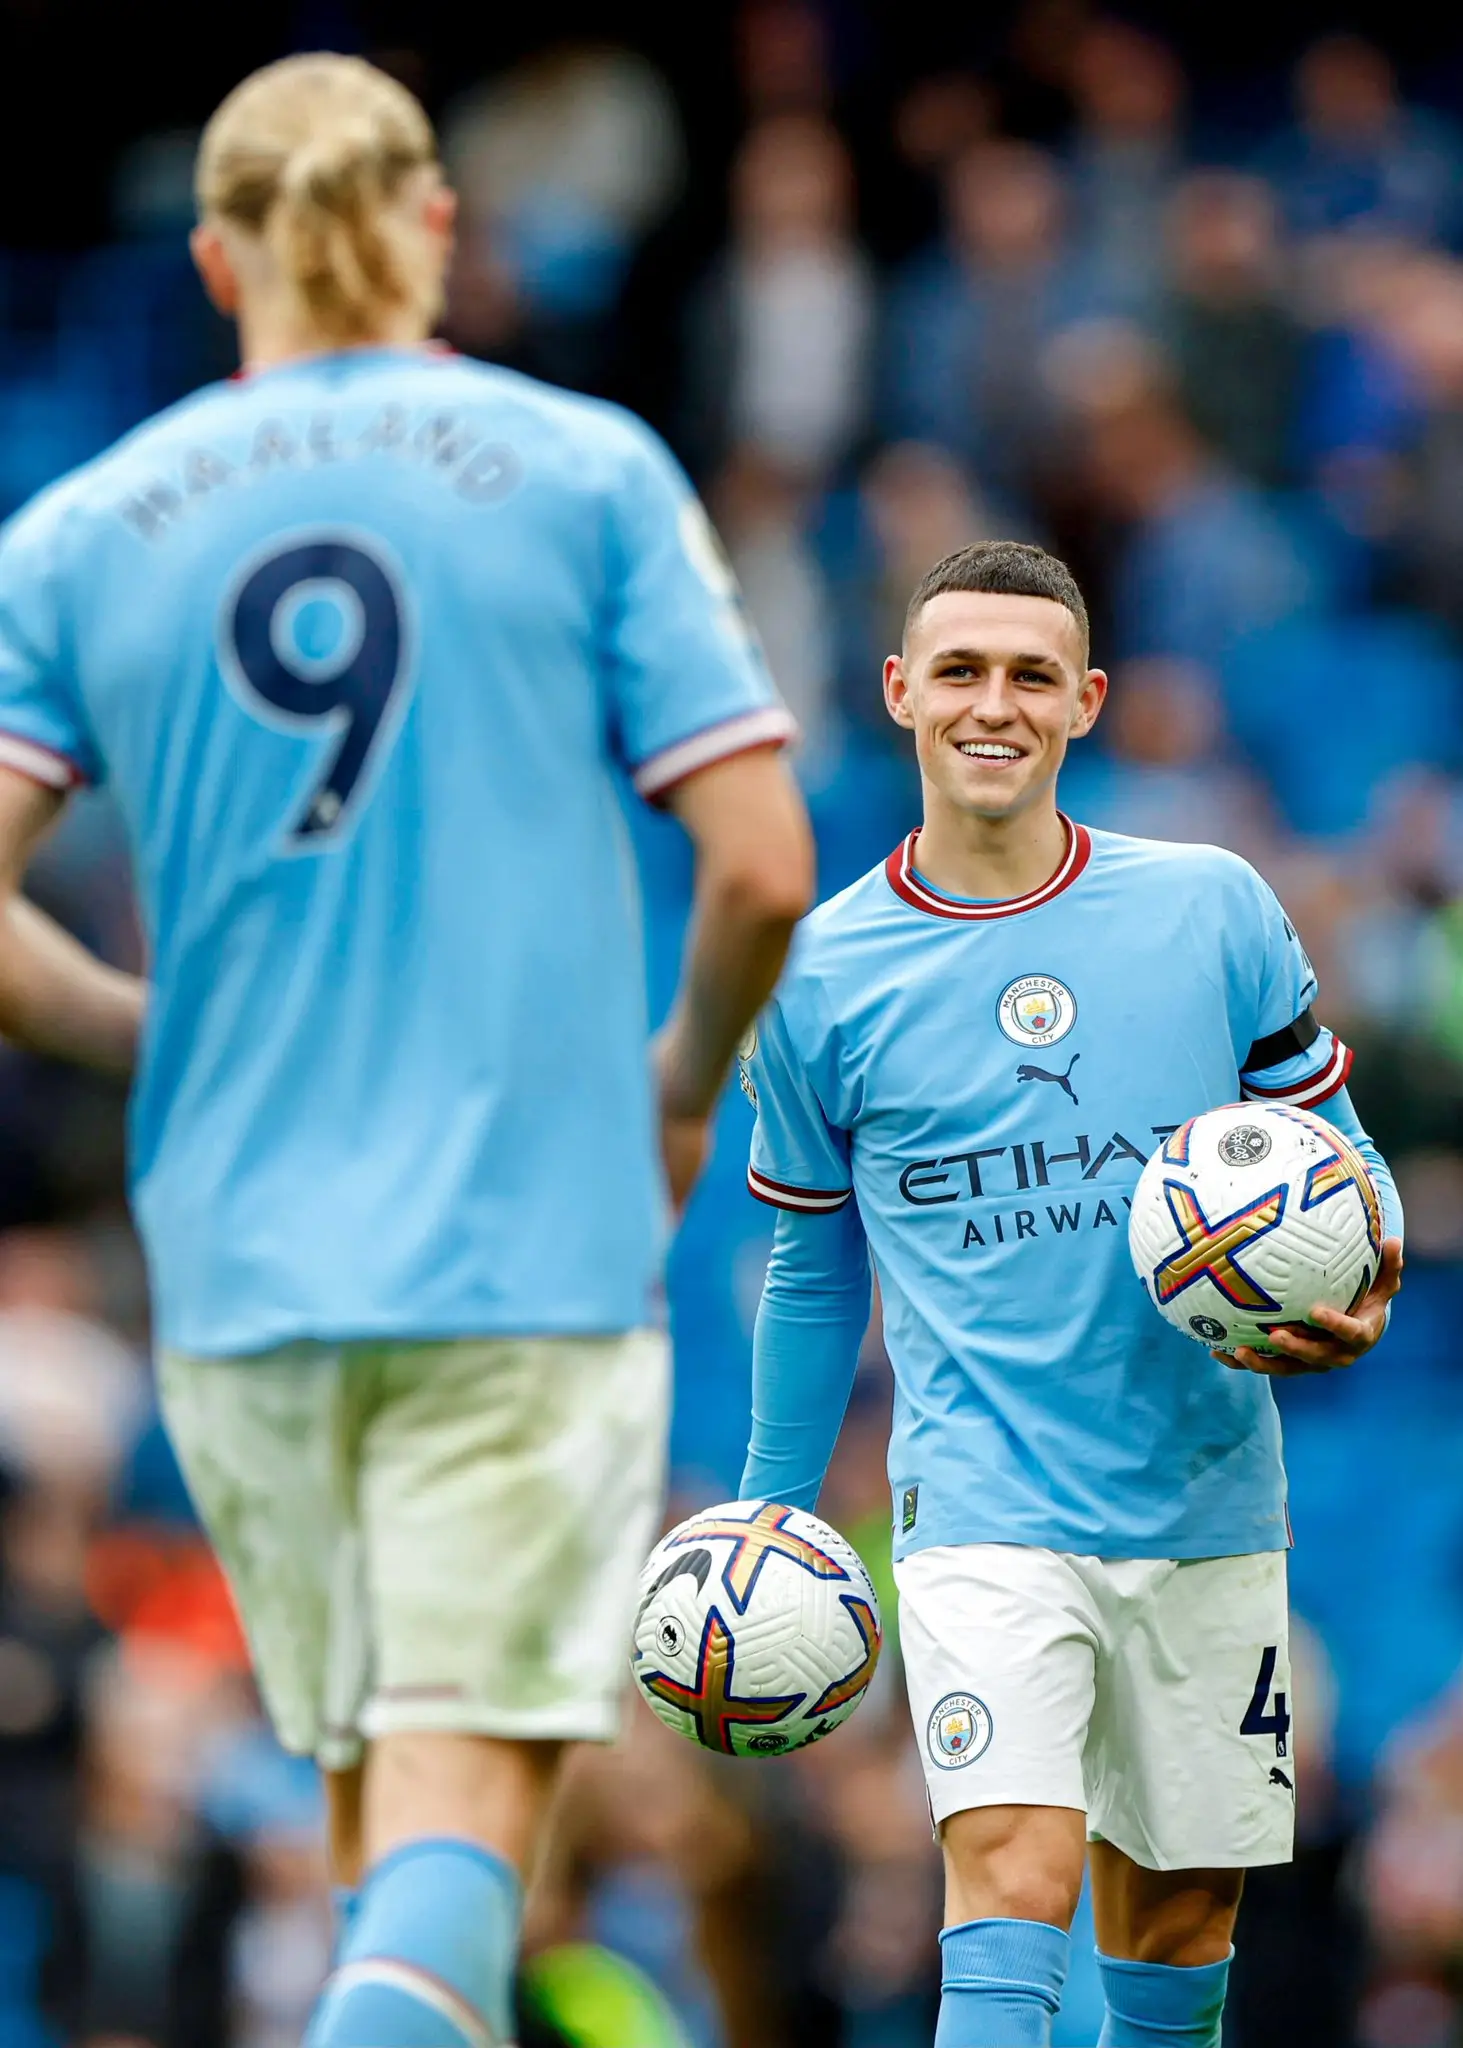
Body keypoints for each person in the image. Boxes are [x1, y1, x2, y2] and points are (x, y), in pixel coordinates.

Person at [0, 52, 813, 2048]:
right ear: (437, 226)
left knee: (381, 1830)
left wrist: (140, 1029)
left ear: (217, 260)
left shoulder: (83, 527)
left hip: (242, 1272)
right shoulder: (586, 470)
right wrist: (678, 1082)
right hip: (514, 1246)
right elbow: (761, 868)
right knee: (464, 1830)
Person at [737, 538, 1402, 2048]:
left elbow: (1343, 1163)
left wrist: (1366, 1273)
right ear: (899, 690)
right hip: (980, 1505)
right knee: (1014, 1875)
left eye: (1031, 675)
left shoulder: (1210, 909)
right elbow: (813, 1258)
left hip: (1204, 1498)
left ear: (1085, 701)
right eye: (960, 671)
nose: (996, 704)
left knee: (1176, 1930)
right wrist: (775, 1506)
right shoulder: (819, 976)